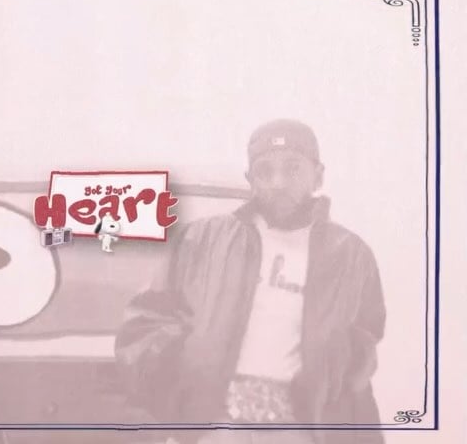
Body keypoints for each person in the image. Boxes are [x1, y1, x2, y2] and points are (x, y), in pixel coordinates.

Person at [115, 119, 386, 444]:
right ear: (250, 180)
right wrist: (181, 392)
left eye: (293, 168)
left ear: (318, 175)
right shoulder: (201, 240)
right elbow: (145, 323)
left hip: (300, 430)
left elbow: (362, 347)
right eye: (264, 171)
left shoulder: (351, 256)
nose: (278, 182)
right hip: (215, 427)